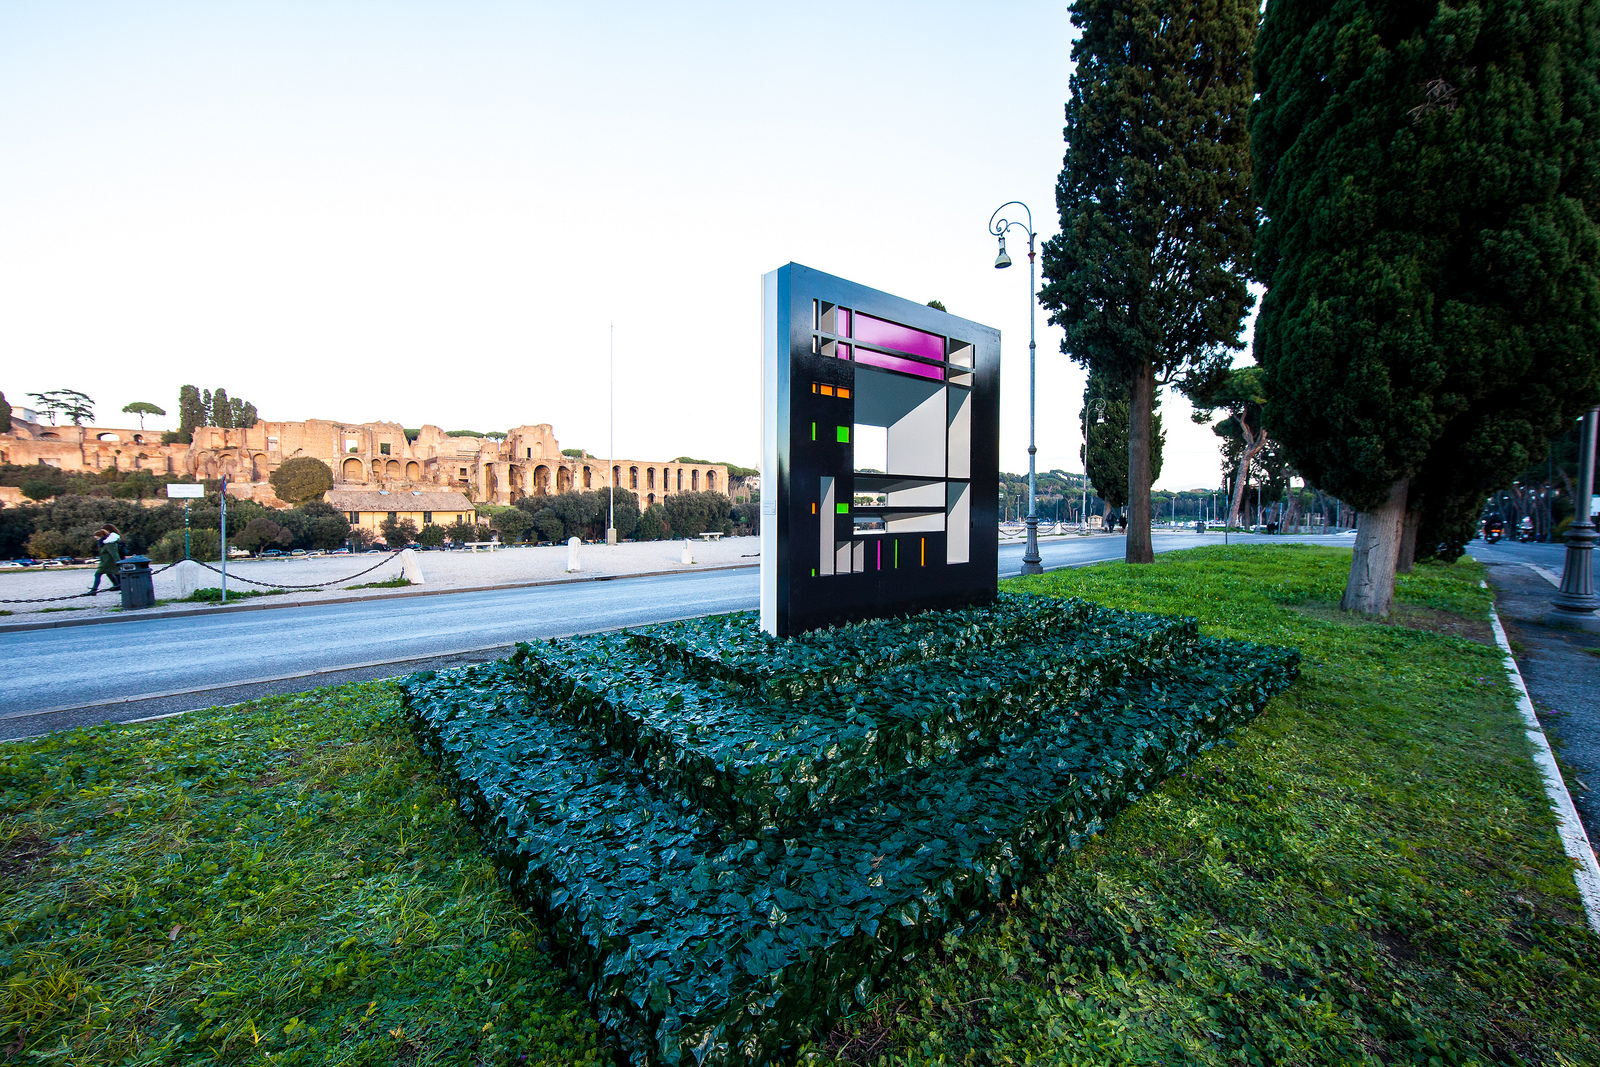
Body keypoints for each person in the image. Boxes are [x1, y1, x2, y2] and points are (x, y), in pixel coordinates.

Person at [89, 525, 124, 594]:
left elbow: (114, 553)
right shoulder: (106, 543)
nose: (97, 540)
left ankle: (94, 590)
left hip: (107, 562)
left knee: (98, 574)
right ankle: (118, 586)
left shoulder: (109, 543)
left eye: (97, 538)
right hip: (107, 562)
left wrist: (118, 562)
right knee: (113, 574)